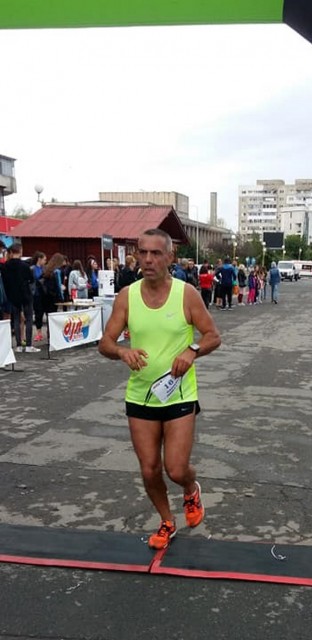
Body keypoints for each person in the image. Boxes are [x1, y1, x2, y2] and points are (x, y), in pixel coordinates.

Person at [98, 228, 221, 550]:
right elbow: (105, 343)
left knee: (176, 469)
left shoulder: (186, 294)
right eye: (143, 253)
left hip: (179, 393)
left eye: (155, 253)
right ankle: (167, 520)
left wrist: (192, 351)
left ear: (170, 257)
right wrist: (121, 351)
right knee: (150, 469)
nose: (148, 259)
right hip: (140, 396)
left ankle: (191, 489)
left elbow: (212, 336)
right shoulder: (127, 296)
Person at [1, 243, 39, 352]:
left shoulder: (5, 266)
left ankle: (18, 345)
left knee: (16, 320)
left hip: (13, 296)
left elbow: (5, 282)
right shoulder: (25, 266)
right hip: (26, 295)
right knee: (29, 319)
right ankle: (28, 345)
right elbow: (31, 279)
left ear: (11, 252)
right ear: (20, 251)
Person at [30, 251, 47, 341]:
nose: (45, 261)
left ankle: (47, 332)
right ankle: (39, 332)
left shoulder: (45, 268)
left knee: (45, 312)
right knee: (38, 313)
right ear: (39, 259)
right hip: (36, 294)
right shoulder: (32, 269)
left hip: (44, 293)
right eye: (44, 259)